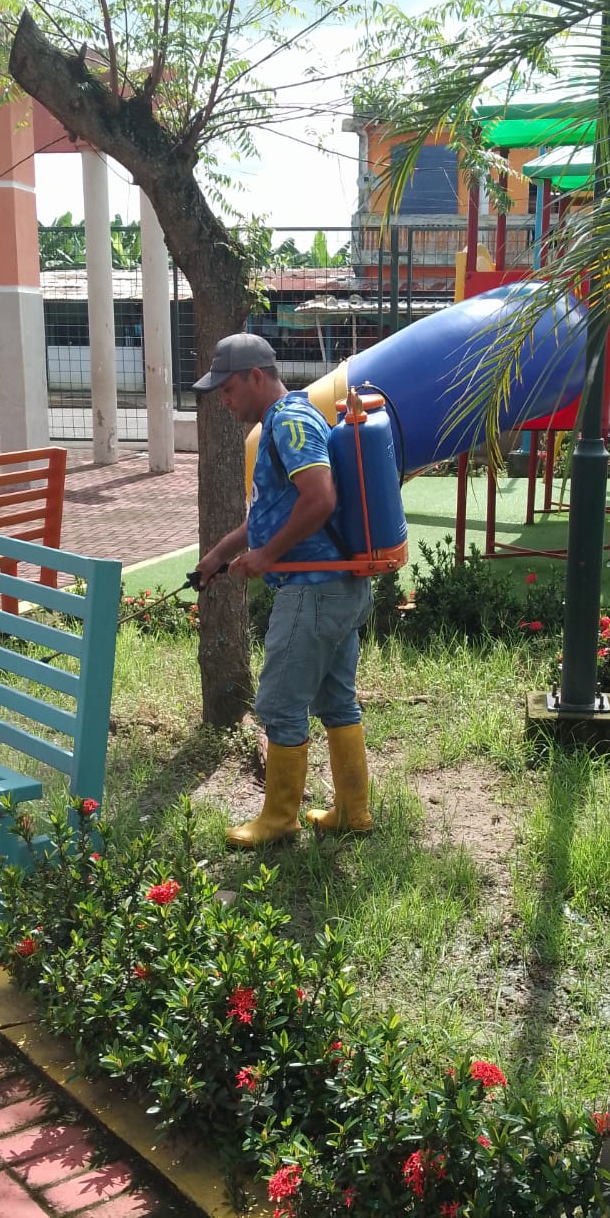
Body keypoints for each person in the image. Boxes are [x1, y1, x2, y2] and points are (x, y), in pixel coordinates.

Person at [194, 332, 373, 848]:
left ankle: (278, 819)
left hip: (311, 589)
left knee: (277, 705)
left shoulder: (290, 422)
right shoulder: (286, 421)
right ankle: (353, 811)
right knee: (336, 700)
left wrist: (267, 556)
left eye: (228, 389)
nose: (225, 402)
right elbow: (272, 511)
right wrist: (220, 553)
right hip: (338, 587)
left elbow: (319, 498)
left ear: (256, 377)